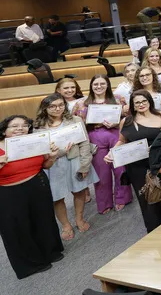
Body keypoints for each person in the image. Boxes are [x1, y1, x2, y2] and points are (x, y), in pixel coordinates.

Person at [0, 114, 63, 279]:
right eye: (14, 126)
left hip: (37, 184)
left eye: (24, 125)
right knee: (16, 228)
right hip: (8, 192)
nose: (20, 128)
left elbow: (45, 165)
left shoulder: (34, 143)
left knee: (43, 220)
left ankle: (51, 252)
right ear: (4, 130)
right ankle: (31, 264)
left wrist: (54, 155)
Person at [35, 94, 98, 240]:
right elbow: (39, 150)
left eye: (61, 105)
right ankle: (65, 225)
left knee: (79, 191)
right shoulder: (38, 126)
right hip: (53, 165)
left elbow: (84, 143)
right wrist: (55, 152)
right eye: (53, 106)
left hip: (74, 160)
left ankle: (79, 218)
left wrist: (84, 166)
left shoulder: (74, 120)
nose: (58, 109)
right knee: (57, 197)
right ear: (45, 108)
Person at [105, 90, 161, 233]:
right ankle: (154, 231)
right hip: (137, 166)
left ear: (149, 101)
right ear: (132, 105)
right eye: (137, 102)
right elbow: (122, 140)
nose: (141, 104)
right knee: (147, 199)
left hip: (160, 161)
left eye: (144, 101)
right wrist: (111, 152)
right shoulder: (126, 121)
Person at [72, 75, 130, 215]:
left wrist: (117, 123)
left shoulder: (118, 99)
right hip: (94, 136)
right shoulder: (81, 103)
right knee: (101, 173)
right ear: (91, 86)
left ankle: (123, 198)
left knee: (120, 169)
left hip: (117, 134)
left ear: (108, 84)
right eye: (95, 84)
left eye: (102, 84)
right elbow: (76, 123)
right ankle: (104, 203)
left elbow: (128, 116)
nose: (99, 87)